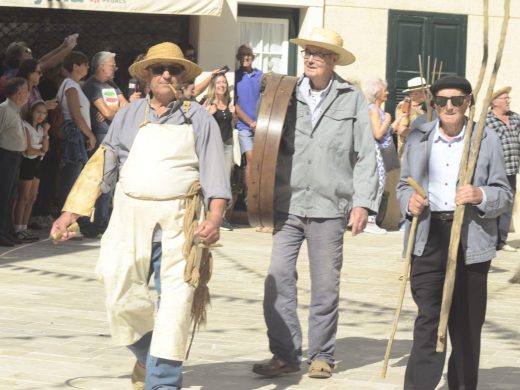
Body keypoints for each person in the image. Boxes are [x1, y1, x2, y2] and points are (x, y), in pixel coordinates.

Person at [51, 42, 231, 390]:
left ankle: (162, 382)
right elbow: (104, 165)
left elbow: (214, 175)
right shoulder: (128, 116)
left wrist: (215, 217)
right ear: (146, 75)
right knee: (120, 299)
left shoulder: (200, 119)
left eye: (174, 69)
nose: (166, 74)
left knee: (175, 308)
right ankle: (149, 358)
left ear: (183, 76)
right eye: (159, 68)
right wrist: (70, 212)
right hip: (129, 223)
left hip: (180, 227)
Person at [252, 27, 378, 379]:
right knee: (277, 280)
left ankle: (321, 355)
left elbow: (366, 156)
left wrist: (363, 204)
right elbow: (265, 140)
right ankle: (285, 354)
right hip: (288, 204)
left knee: (325, 287)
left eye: (319, 53)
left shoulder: (351, 97)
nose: (310, 57)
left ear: (334, 60)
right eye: (308, 50)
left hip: (330, 207)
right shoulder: (285, 94)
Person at [397, 75, 512, 390]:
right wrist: (410, 200)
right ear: (435, 104)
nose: (450, 106)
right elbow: (401, 184)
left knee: (466, 324)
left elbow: (504, 193)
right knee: (428, 320)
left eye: (457, 100)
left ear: (469, 103)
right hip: (427, 234)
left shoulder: (485, 139)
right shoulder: (419, 136)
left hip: (471, 237)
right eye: (443, 100)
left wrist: (480, 195)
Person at [83, 51, 128, 234]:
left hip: (114, 135)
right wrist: (114, 110)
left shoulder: (112, 84)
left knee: (109, 180)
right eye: (112, 65)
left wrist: (112, 110)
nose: (115, 69)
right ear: (102, 66)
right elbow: (109, 113)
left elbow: (126, 107)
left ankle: (102, 219)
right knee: (99, 179)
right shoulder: (91, 85)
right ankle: (91, 220)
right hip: (101, 136)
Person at [56, 50, 96, 213]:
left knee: (72, 176)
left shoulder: (71, 85)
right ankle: (65, 215)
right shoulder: (71, 86)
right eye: (85, 64)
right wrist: (90, 134)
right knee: (71, 178)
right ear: (75, 66)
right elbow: (76, 115)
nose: (87, 68)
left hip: (75, 135)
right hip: (74, 135)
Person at [363, 78, 403, 234]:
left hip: (379, 152)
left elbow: (387, 132)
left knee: (379, 184)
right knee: (377, 184)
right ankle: (370, 220)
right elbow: (378, 134)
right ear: (377, 92)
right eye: (384, 90)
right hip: (376, 153)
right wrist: (388, 119)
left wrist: (397, 119)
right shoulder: (373, 110)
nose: (387, 92)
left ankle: (371, 219)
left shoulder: (377, 110)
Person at [200, 73, 236, 231]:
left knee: (225, 178)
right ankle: (207, 214)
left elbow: (232, 124)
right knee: (209, 177)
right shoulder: (207, 101)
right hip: (211, 145)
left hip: (227, 144)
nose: (222, 85)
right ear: (214, 85)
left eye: (224, 83)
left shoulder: (230, 102)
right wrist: (208, 112)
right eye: (219, 82)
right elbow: (200, 121)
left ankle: (221, 218)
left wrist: (233, 115)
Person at [485, 86, 519, 252]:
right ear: (494, 102)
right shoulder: (487, 120)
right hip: (494, 170)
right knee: (493, 204)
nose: (508, 101)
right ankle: (490, 240)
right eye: (505, 98)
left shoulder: (515, 118)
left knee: (507, 204)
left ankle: (502, 241)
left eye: (508, 98)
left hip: (512, 169)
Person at [13, 101, 50, 242]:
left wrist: (46, 133)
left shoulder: (41, 129)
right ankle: (18, 228)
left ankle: (25, 226)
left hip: (37, 163)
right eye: (38, 112)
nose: (41, 115)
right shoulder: (25, 126)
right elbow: (28, 150)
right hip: (27, 163)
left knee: (32, 198)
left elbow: (46, 149)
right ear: (32, 112)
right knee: (23, 197)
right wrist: (40, 151)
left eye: (44, 113)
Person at [0, 78, 30, 247]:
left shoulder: (15, 110)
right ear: (18, 94)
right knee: (3, 196)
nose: (28, 94)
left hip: (14, 157)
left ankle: (6, 231)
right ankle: (1, 232)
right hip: (5, 157)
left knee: (11, 196)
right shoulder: (4, 110)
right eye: (25, 90)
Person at [234, 44, 262, 187]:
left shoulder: (260, 76)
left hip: (262, 126)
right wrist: (250, 123)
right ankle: (250, 197)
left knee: (261, 161)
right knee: (251, 158)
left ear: (253, 57)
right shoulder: (235, 77)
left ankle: (259, 194)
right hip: (244, 127)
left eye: (248, 55)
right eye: (243, 55)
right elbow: (235, 105)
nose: (246, 57)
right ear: (238, 58)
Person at [395, 76, 429, 157]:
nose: (423, 95)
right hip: (408, 151)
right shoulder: (405, 105)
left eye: (424, 92)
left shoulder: (426, 106)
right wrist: (421, 133)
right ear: (412, 94)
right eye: (419, 92)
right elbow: (401, 130)